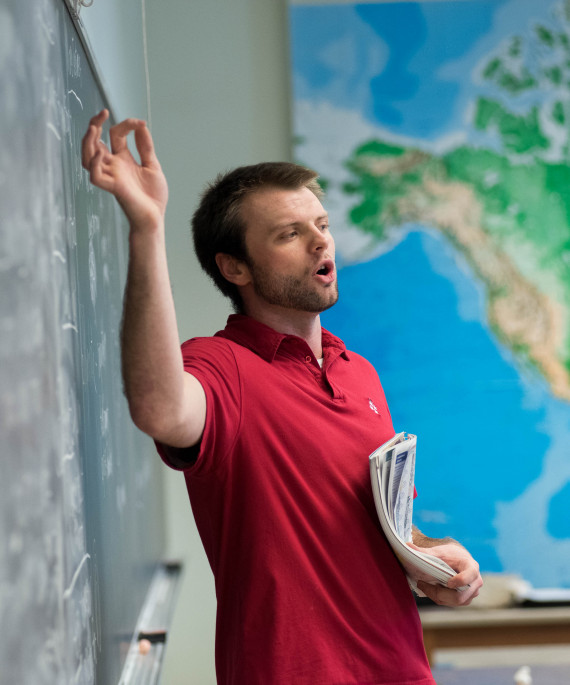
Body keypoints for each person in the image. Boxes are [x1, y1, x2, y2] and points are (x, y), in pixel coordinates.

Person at [82, 110, 482, 685]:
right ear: (234, 266)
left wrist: (434, 558)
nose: (321, 241)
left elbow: (386, 527)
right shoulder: (221, 368)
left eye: (321, 224)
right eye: (290, 234)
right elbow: (160, 409)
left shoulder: (359, 373)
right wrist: (147, 230)